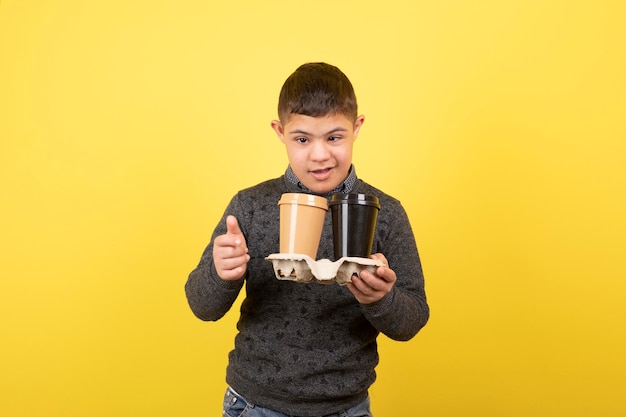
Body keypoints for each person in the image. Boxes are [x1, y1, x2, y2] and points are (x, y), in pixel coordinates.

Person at [185, 62, 429, 417]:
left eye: (334, 137)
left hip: (347, 408)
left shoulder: (384, 212)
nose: (319, 155)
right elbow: (202, 305)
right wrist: (221, 274)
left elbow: (413, 319)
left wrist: (383, 299)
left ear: (356, 127)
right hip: (254, 404)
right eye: (302, 139)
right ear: (280, 131)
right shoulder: (250, 206)